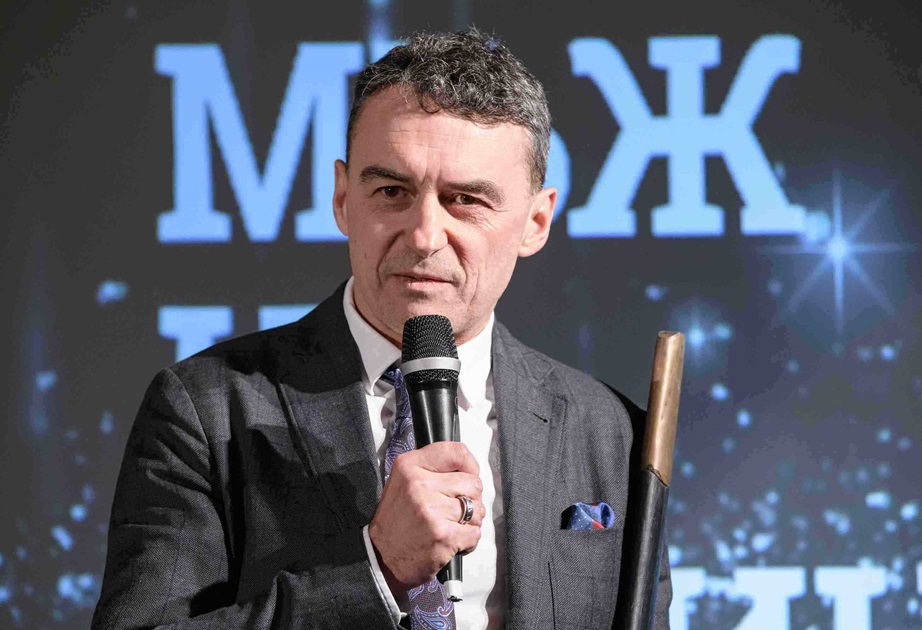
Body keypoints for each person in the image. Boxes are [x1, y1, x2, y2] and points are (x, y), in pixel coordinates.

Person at [92, 28, 672, 629]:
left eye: (466, 200)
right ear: (343, 198)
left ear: (536, 221)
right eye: (392, 190)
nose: (424, 235)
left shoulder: (613, 434)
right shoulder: (206, 409)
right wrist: (378, 570)